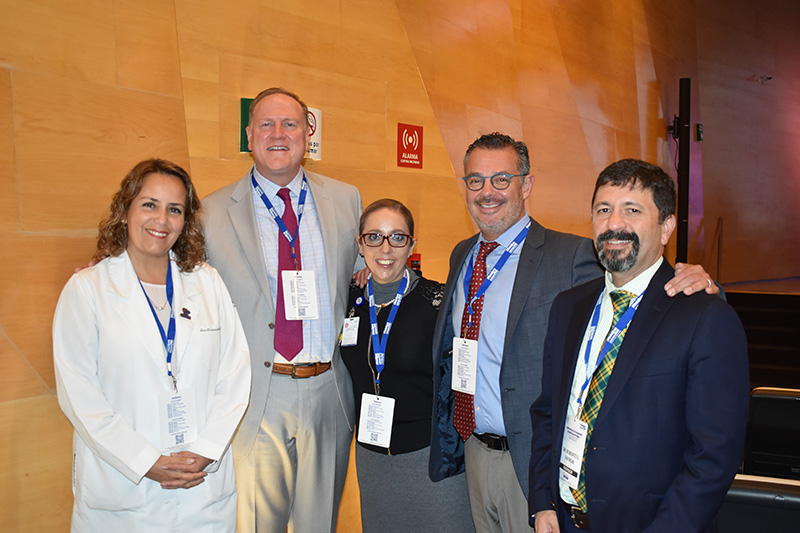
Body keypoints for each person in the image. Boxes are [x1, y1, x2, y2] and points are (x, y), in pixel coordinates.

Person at [429, 133, 719, 532]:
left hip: (533, 460)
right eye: (475, 180)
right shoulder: (462, 254)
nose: (487, 192)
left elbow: (639, 287)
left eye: (501, 179)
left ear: (526, 184)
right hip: (476, 450)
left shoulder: (573, 254)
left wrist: (704, 284)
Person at [529, 158, 749, 532]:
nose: (614, 224)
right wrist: (543, 502)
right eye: (603, 210)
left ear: (666, 228)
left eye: (632, 210)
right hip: (564, 520)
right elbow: (548, 412)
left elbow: (714, 455)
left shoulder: (705, 316)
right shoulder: (568, 307)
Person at [53, 159, 251, 532]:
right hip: (124, 493)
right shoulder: (87, 290)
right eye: (149, 204)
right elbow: (79, 396)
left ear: (186, 220)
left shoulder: (207, 282)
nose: (161, 219)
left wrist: (206, 450)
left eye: (175, 209)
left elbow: (235, 373)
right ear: (125, 209)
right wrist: (145, 461)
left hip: (202, 490)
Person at [202, 87, 362, 532]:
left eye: (290, 124)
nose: (278, 134)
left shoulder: (347, 199)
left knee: (319, 524)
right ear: (249, 135)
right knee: (258, 525)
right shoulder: (211, 211)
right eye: (266, 124)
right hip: (258, 392)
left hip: (329, 389)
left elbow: (365, 273)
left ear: (308, 134)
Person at [339, 199, 473, 532]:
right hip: (372, 461)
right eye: (374, 237)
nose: (385, 248)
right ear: (360, 245)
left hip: (429, 461)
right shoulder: (349, 300)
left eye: (397, 237)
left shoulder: (438, 302)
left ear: (411, 245)